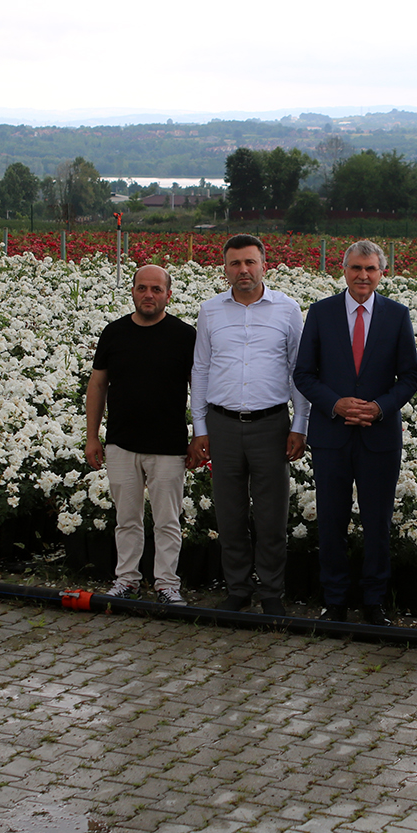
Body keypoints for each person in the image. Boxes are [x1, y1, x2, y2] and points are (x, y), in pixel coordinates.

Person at [294, 240, 417, 626]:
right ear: (344, 270)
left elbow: (410, 376)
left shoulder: (397, 315)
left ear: (382, 273)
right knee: (331, 519)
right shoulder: (321, 312)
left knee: (377, 521)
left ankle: (374, 602)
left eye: (371, 269)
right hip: (332, 434)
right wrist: (337, 404)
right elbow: (303, 374)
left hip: (378, 436)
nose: (363, 276)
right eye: (356, 268)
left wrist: (379, 407)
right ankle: (334, 601)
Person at [188, 234, 309, 615]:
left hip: (271, 425)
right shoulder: (210, 311)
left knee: (272, 514)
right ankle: (237, 588)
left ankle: (272, 591)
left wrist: (300, 423)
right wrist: (200, 427)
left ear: (264, 265)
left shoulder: (287, 310)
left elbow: (298, 370)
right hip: (222, 426)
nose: (243, 270)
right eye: (235, 263)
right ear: (224, 268)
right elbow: (201, 368)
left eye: (250, 262)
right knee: (230, 512)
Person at [85, 264, 195, 604]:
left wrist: (200, 437)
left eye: (156, 289)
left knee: (167, 521)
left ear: (168, 294)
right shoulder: (114, 333)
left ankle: (166, 584)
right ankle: (127, 580)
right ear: (132, 291)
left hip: (168, 445)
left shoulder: (184, 335)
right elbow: (98, 384)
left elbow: (200, 389)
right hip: (121, 443)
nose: (149, 295)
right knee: (126, 519)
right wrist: (92, 436)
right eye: (142, 288)